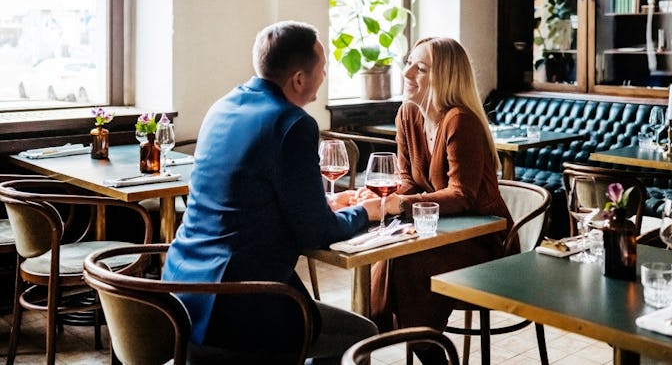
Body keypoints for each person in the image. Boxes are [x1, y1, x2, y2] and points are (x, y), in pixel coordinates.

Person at [162, 21, 388, 364]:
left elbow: (245, 197)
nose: (324, 76)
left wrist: (326, 202)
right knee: (362, 335)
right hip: (240, 307)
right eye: (323, 69)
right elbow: (318, 232)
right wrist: (366, 212)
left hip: (181, 295)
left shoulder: (222, 107)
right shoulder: (293, 124)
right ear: (298, 79)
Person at [368, 37, 515, 364]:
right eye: (408, 63)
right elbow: (406, 179)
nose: (406, 74)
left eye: (419, 68)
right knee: (383, 253)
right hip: (436, 230)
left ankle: (427, 351)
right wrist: (386, 198)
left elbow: (462, 195)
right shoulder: (407, 114)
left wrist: (400, 205)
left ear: (445, 78)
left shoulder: (461, 120)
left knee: (408, 262)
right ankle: (382, 336)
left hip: (483, 239)